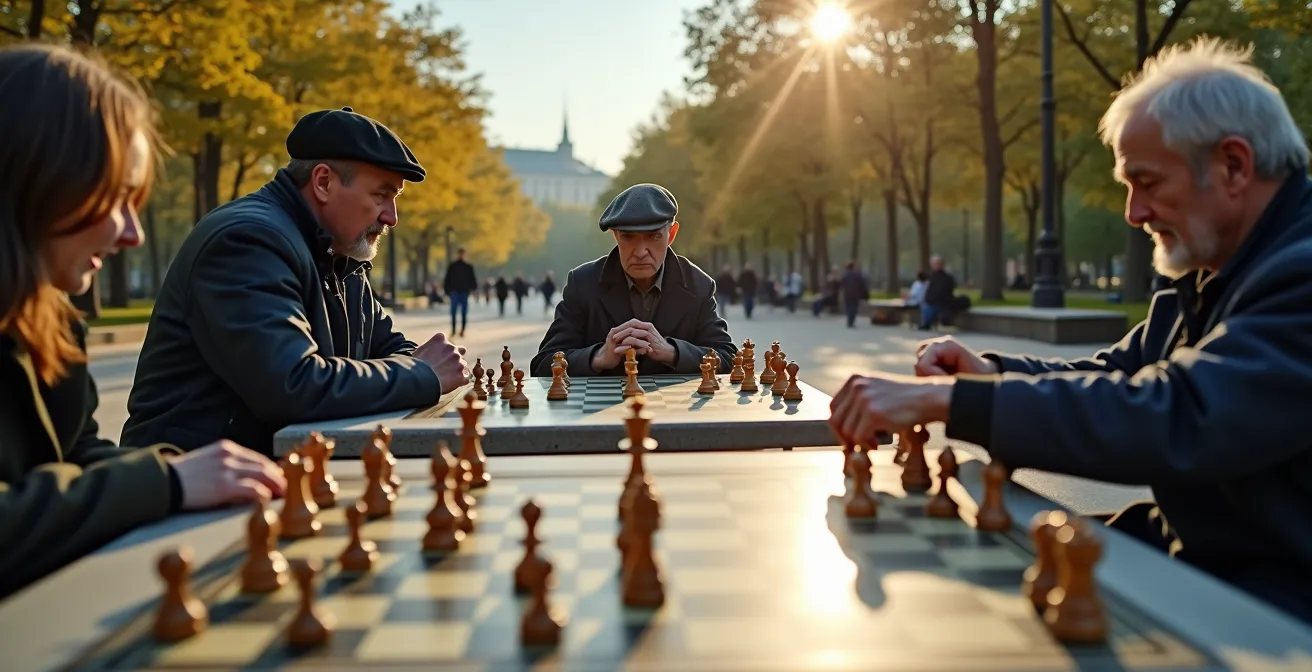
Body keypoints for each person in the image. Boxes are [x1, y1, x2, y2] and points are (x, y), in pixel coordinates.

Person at [828, 38, 1312, 624]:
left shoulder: (1299, 274)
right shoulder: (1218, 271)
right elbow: (1119, 375)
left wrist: (950, 400)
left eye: (1148, 182)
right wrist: (990, 375)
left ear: (1233, 166)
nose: (1133, 213)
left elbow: (1185, 413)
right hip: (1234, 574)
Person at [0, 44, 286, 599]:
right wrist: (167, 482)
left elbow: (78, 455)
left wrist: (188, 472)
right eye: (116, 199)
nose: (132, 234)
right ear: (37, 185)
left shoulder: (50, 322)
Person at [122, 107, 469, 456]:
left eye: (395, 199)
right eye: (381, 195)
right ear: (323, 182)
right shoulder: (248, 242)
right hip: (187, 476)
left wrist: (416, 368)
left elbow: (391, 349)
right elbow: (290, 385)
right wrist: (420, 374)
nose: (391, 218)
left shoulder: (340, 253)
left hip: (266, 469)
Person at [530, 183, 736, 377]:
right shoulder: (583, 283)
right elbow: (542, 365)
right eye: (628, 237)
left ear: (671, 234)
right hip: (605, 404)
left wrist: (672, 352)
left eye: (654, 237)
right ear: (616, 236)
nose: (640, 252)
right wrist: (598, 357)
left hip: (675, 404)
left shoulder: (698, 285)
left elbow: (729, 358)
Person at [443, 247, 477, 337]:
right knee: (453, 312)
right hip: (454, 292)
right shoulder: (452, 266)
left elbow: (472, 279)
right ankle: (453, 329)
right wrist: (446, 290)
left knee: (464, 313)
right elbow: (447, 279)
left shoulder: (468, 267)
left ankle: (462, 329)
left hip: (464, 292)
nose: (461, 256)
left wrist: (473, 289)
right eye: (459, 254)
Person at [918, 255, 956, 329]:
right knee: (925, 304)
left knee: (929, 306)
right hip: (936, 301)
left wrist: (930, 299)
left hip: (941, 302)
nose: (932, 266)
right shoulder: (934, 276)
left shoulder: (943, 278)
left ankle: (926, 323)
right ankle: (925, 322)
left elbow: (939, 292)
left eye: (934, 264)